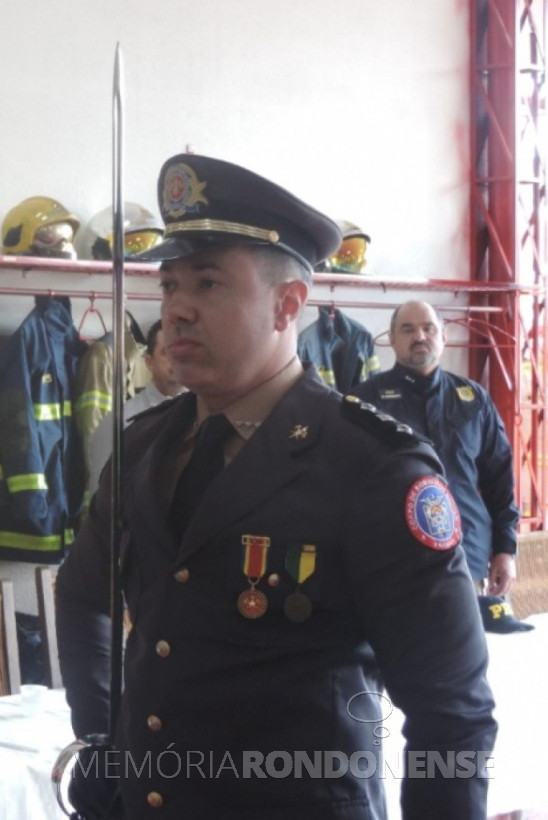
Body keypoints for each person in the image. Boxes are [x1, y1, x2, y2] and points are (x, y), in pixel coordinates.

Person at [56, 154, 496, 818]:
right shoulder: (144, 448)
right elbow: (82, 591)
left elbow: (452, 715)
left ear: (288, 304)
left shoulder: (372, 468)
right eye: (170, 285)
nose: (176, 310)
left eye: (207, 284)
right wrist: (101, 734)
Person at [351, 300, 519, 595]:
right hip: (393, 564)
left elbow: (500, 478)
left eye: (429, 328)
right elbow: (345, 484)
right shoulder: (365, 402)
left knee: (469, 642)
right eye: (408, 329)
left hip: (470, 559)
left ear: (443, 336)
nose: (420, 337)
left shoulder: (474, 399)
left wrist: (506, 549)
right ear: (391, 339)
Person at [89, 320, 186, 495]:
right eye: (166, 352)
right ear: (149, 362)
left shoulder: (207, 416)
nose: (176, 359)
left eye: (181, 351)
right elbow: (101, 495)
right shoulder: (120, 422)